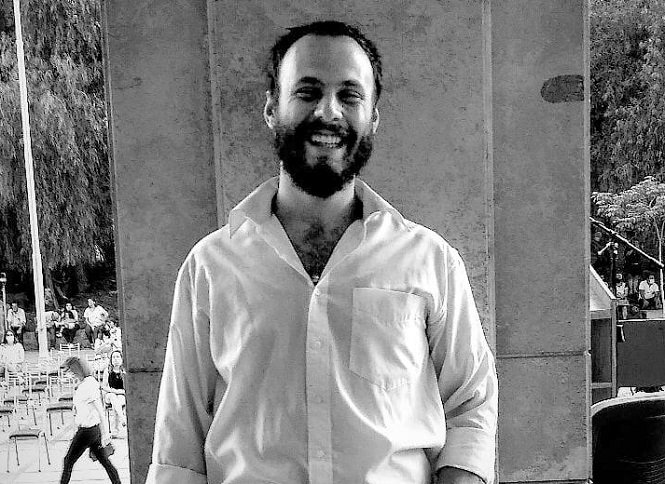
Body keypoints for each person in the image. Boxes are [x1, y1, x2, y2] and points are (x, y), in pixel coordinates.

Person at [147, 21, 498, 484]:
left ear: (373, 117)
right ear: (271, 108)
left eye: (349, 96)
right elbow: (179, 447)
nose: (328, 112)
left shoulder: (431, 261)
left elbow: (471, 405)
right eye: (307, 92)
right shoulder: (210, 267)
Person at [59, 356, 121, 484]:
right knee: (105, 461)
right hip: (92, 429)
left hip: (87, 430)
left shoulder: (88, 385)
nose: (69, 375)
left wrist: (106, 434)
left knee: (68, 460)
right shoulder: (86, 383)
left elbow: (100, 411)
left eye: (70, 372)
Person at [101, 350, 127, 438]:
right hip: (109, 394)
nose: (115, 359)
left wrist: (117, 391)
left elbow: (126, 389)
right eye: (113, 357)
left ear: (121, 359)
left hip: (121, 394)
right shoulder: (108, 371)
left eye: (118, 357)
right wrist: (113, 391)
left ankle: (115, 431)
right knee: (113, 397)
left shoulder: (124, 371)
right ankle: (123, 418)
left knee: (117, 402)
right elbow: (104, 386)